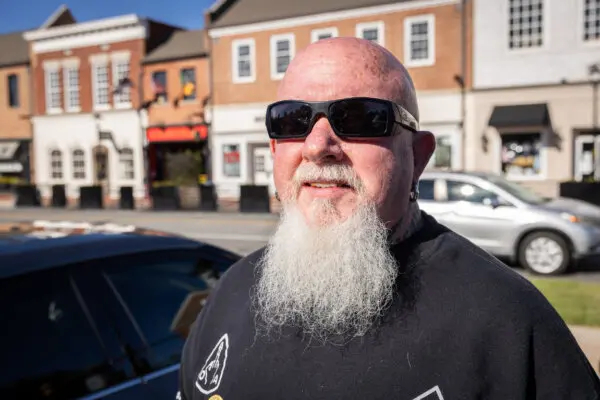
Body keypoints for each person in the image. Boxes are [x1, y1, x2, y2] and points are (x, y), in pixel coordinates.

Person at [178, 37, 600, 400]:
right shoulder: (230, 292)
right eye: (292, 119)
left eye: (359, 117)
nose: (317, 145)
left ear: (417, 156)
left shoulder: (507, 320)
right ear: (275, 150)